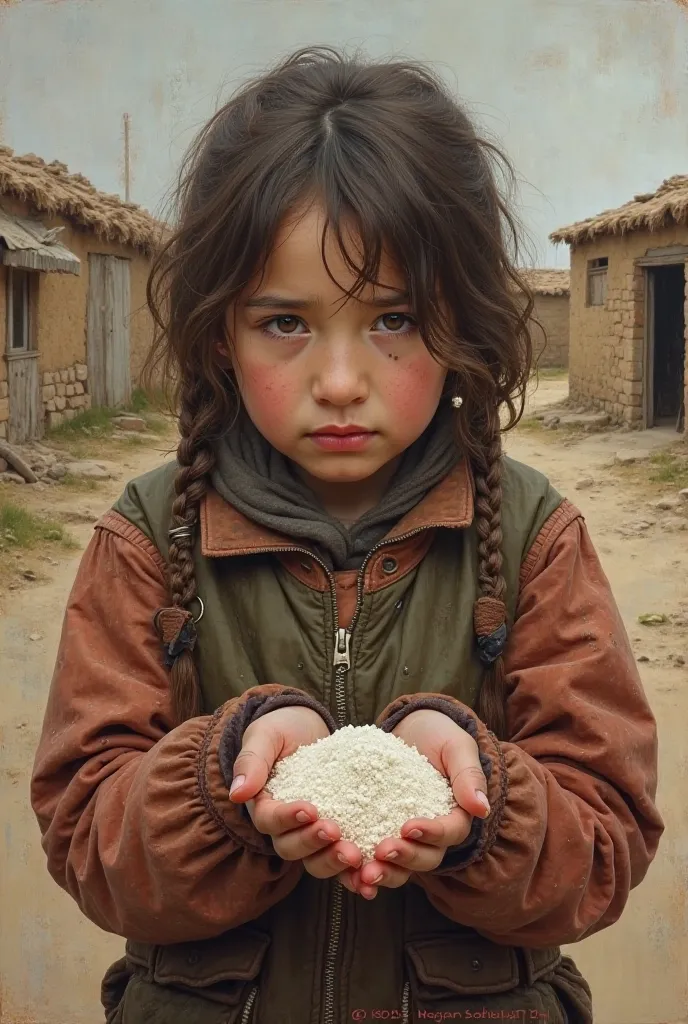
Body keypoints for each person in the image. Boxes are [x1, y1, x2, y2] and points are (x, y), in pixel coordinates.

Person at [31, 48, 663, 1024]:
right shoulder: (147, 541)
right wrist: (224, 776)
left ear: (461, 326)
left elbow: (604, 840)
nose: (338, 379)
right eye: (285, 322)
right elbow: (85, 837)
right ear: (218, 335)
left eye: (393, 318)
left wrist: (474, 799)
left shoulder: (535, 540)